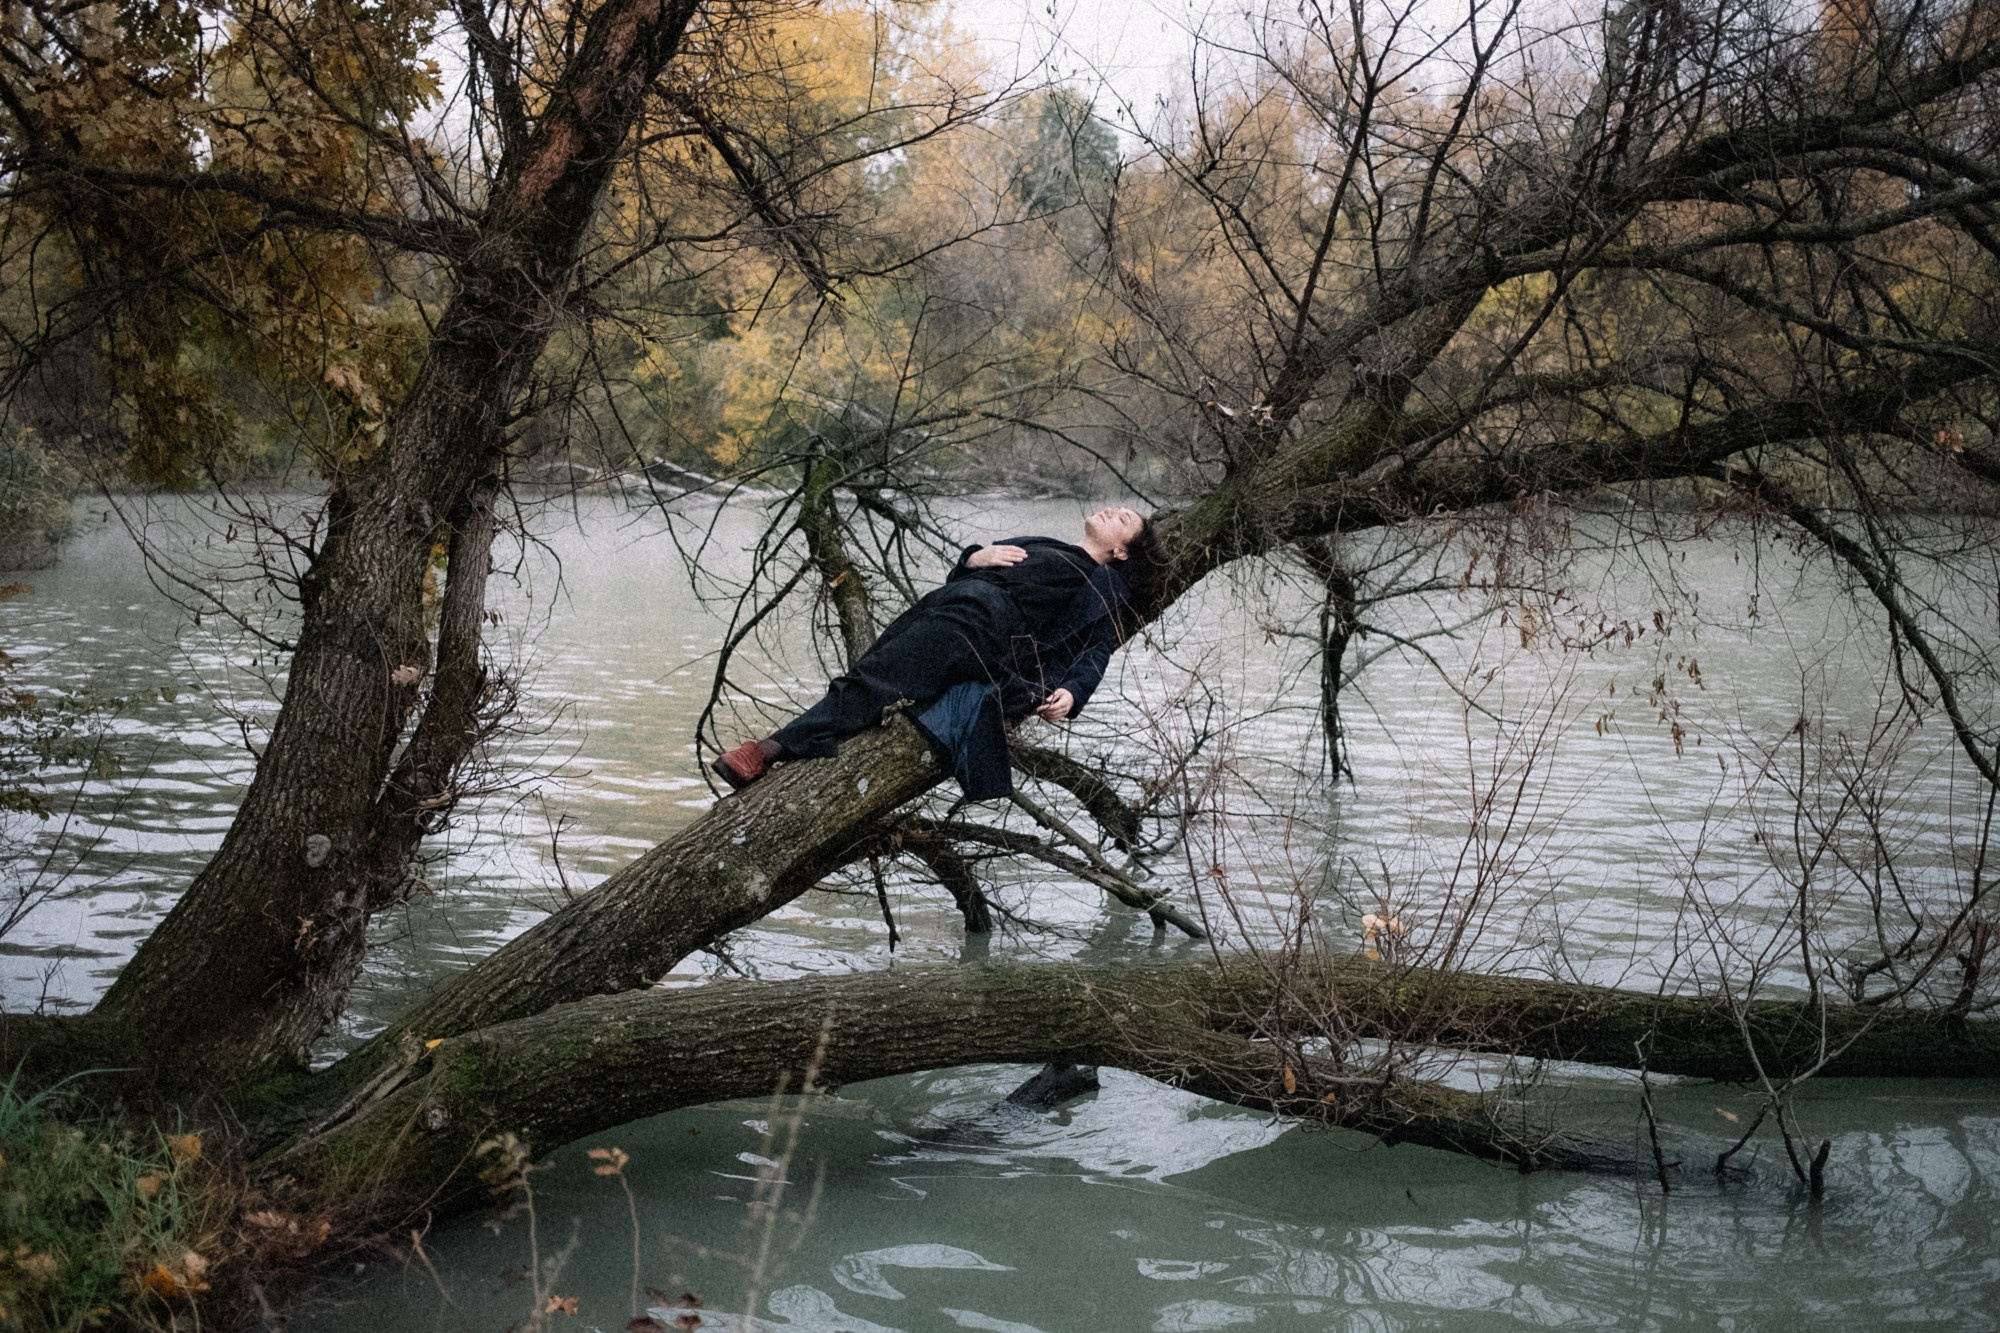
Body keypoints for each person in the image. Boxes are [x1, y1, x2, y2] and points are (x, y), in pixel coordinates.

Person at [712, 506, 1159, 795]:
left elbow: (1095, 647)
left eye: (1123, 520)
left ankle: (764, 753)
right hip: (944, 608)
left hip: (976, 630)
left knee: (871, 682)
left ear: (1120, 552)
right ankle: (783, 748)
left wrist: (1074, 691)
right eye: (1116, 509)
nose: (1111, 512)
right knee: (872, 675)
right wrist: (971, 558)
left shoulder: (1103, 586)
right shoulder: (1044, 544)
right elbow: (968, 567)